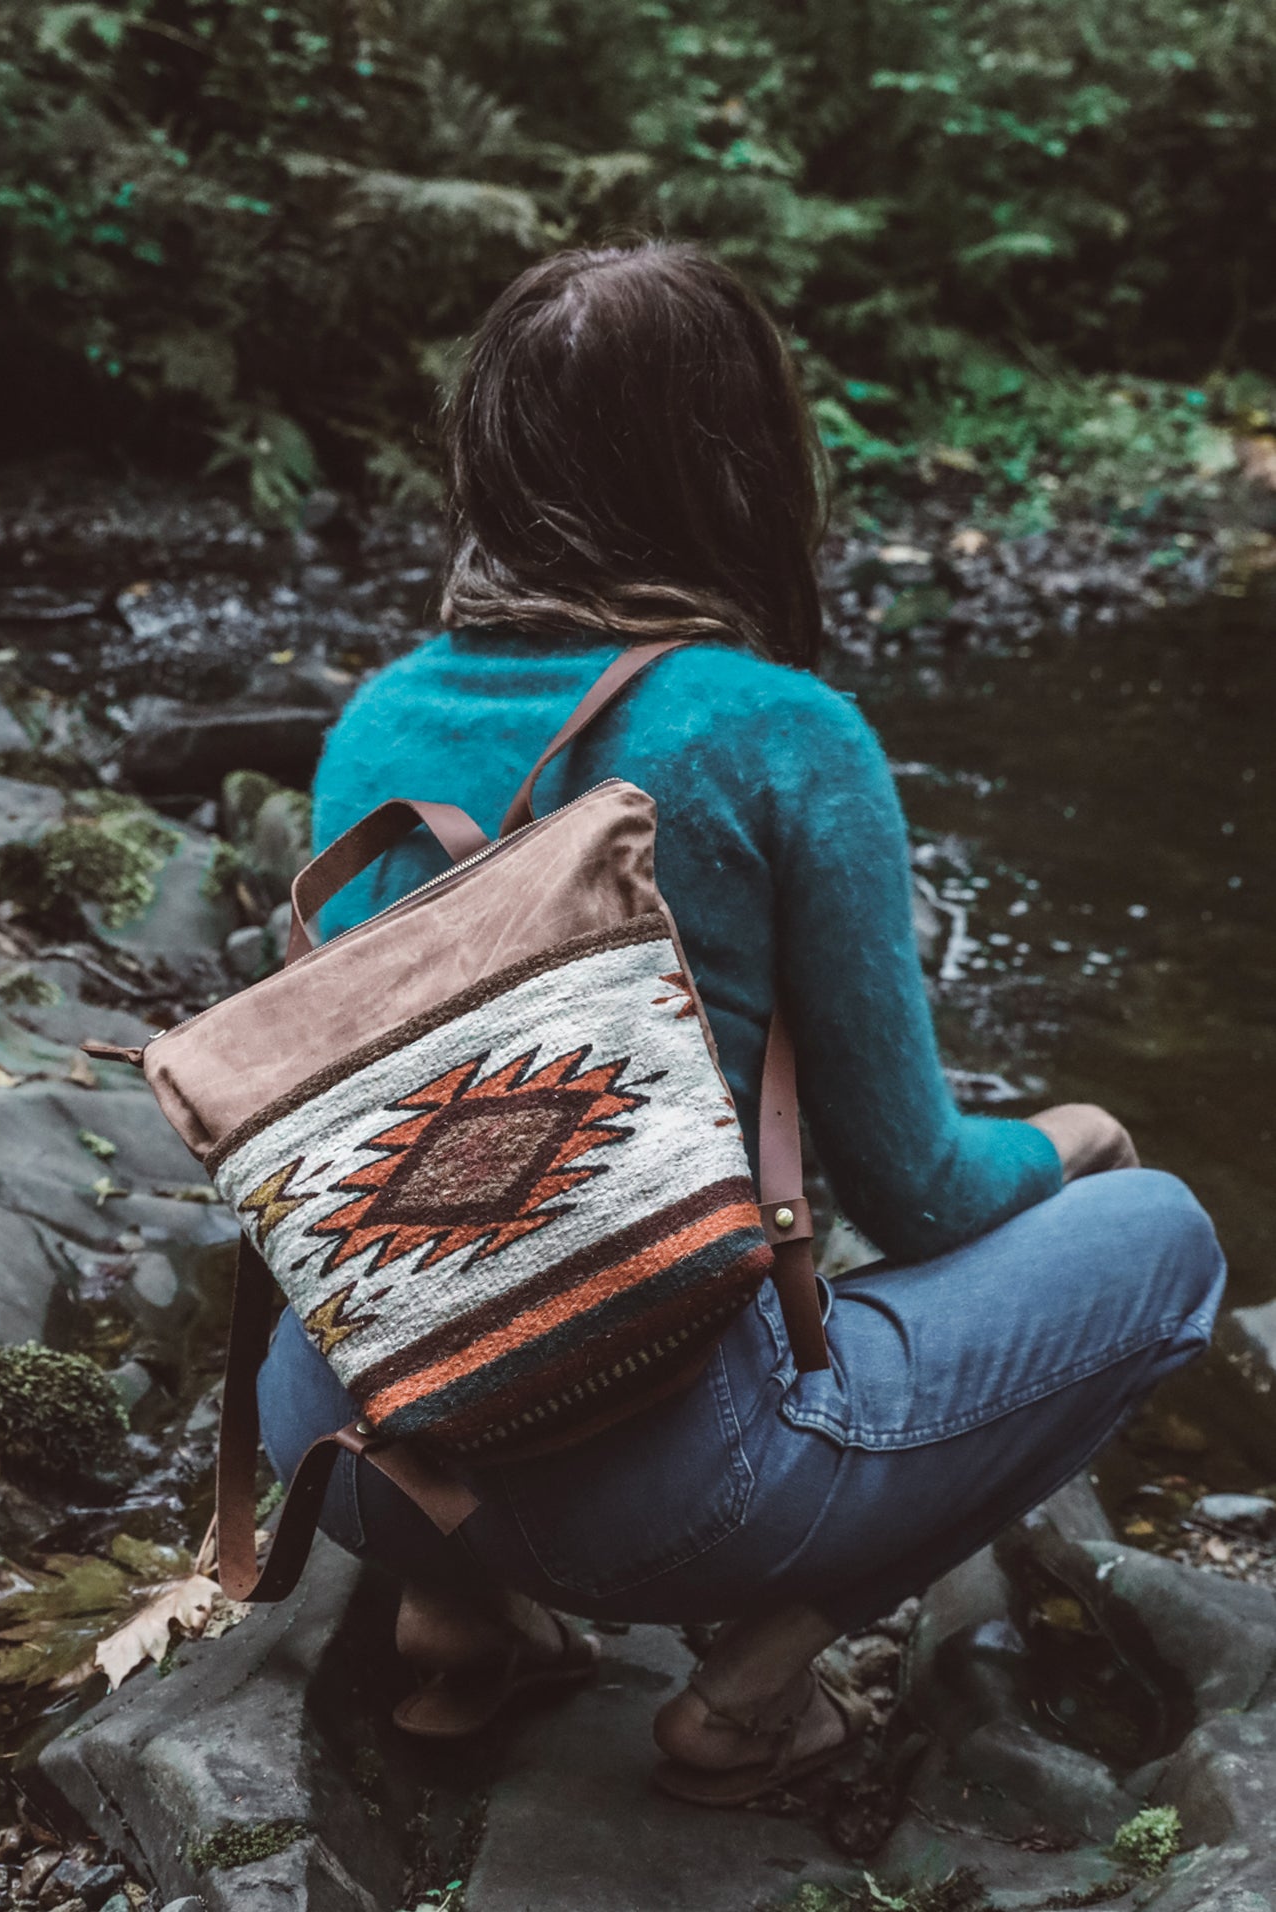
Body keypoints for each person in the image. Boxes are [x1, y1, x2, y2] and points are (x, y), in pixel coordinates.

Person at [257, 241, 1225, 1804]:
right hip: (668, 1503)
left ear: (488, 456)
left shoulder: (377, 717)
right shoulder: (780, 734)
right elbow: (917, 1190)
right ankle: (757, 1691)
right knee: (1164, 1234)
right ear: (738, 463)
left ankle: (452, 1609)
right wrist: (1073, 1142)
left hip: (347, 1446)